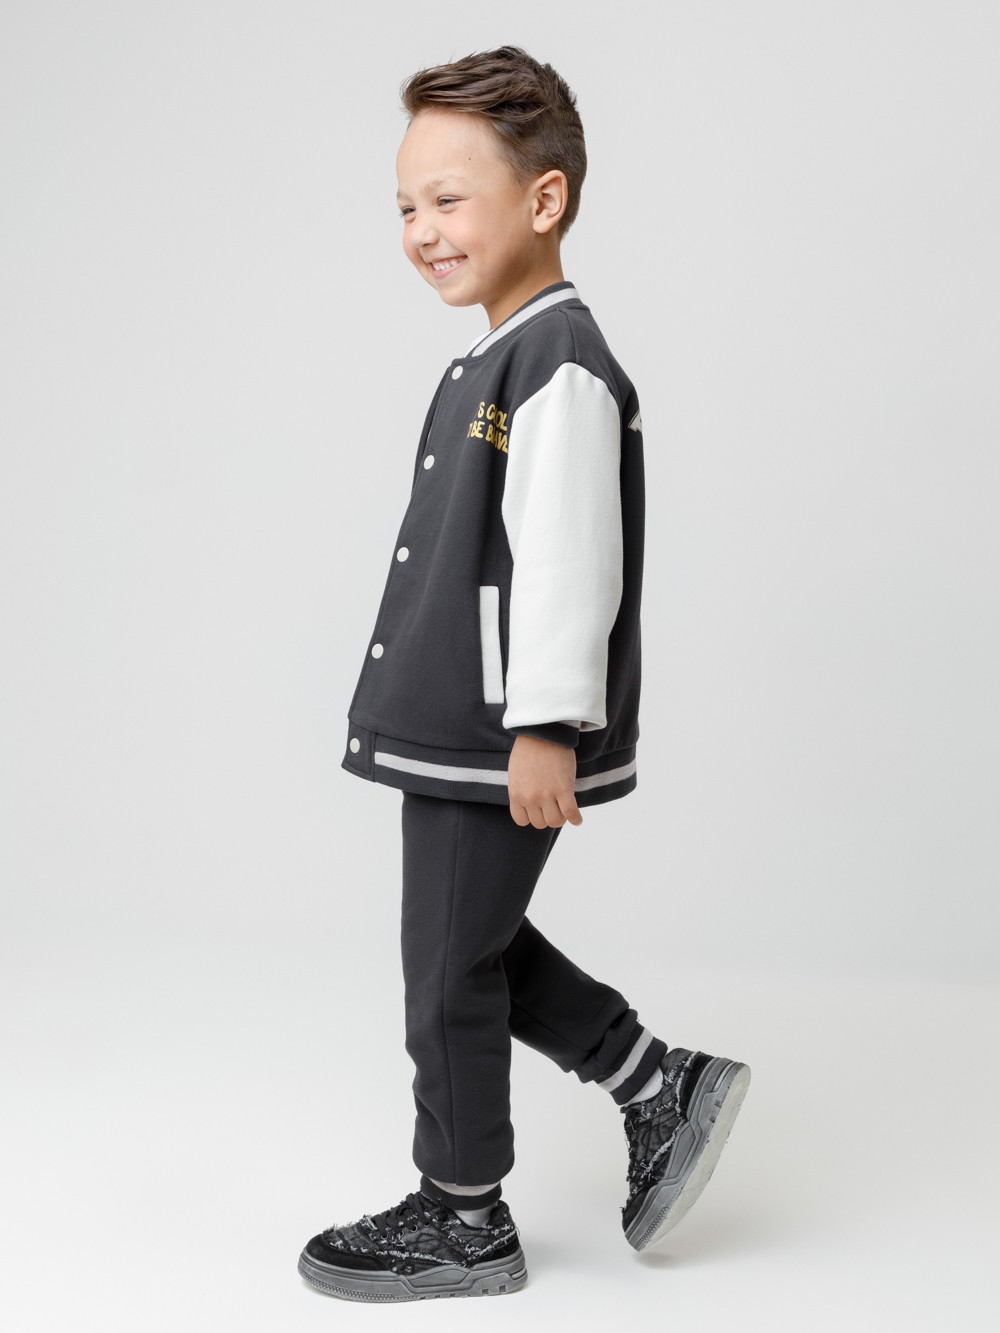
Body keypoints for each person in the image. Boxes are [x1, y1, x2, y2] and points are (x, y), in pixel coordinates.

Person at [297, 45, 750, 1303]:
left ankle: (463, 1214)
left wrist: (545, 723)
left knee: (447, 962)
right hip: (462, 720)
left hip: (499, 727)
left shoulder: (559, 363)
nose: (420, 230)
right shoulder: (502, 356)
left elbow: (567, 558)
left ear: (543, 200)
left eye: (448, 199)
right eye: (405, 205)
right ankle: (658, 1081)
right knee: (461, 941)